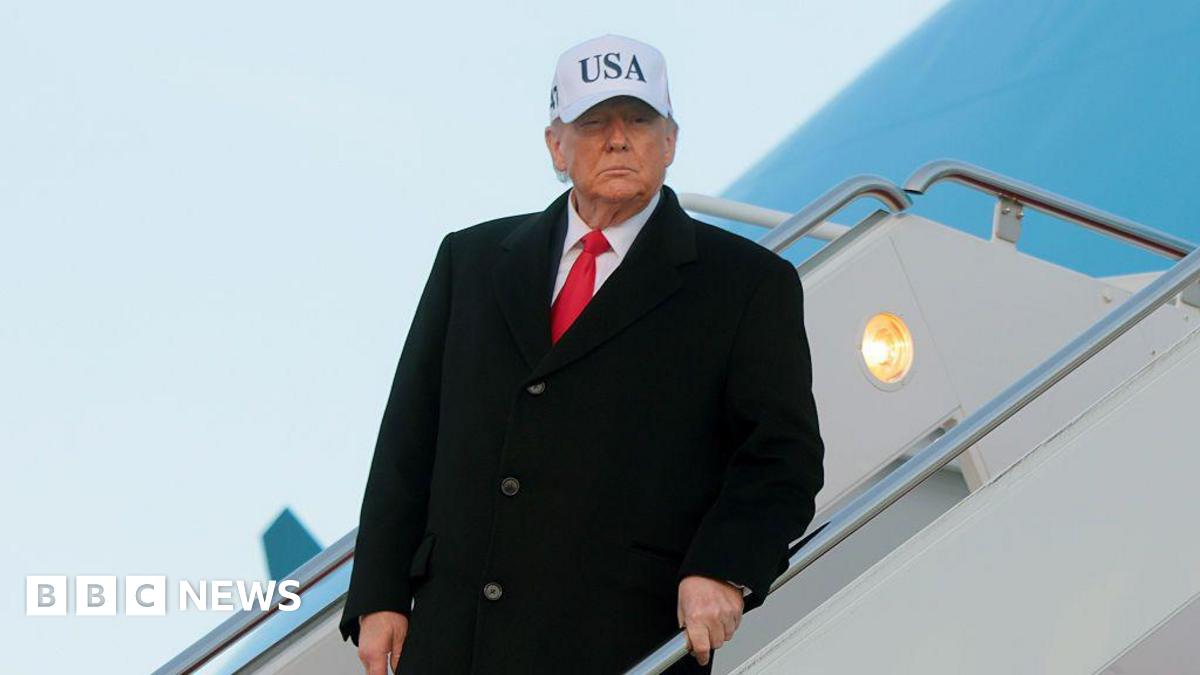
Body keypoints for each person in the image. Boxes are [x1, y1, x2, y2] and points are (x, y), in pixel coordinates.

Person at [340, 33, 825, 674]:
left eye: (640, 120)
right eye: (593, 122)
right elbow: (408, 439)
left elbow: (782, 458)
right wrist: (379, 593)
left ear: (670, 142)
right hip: (457, 641)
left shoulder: (745, 283)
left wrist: (723, 567)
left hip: (623, 642)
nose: (618, 138)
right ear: (556, 146)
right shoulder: (472, 262)